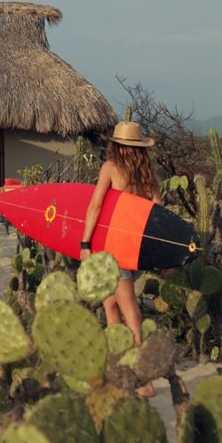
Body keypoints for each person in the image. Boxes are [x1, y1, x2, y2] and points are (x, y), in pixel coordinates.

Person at [80, 121, 161, 397]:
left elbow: (96, 205)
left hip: (112, 246)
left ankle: (143, 380)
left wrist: (85, 242)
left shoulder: (110, 169)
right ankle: (118, 371)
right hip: (135, 247)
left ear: (115, 144)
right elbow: (157, 208)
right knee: (111, 304)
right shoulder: (147, 171)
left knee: (130, 312)